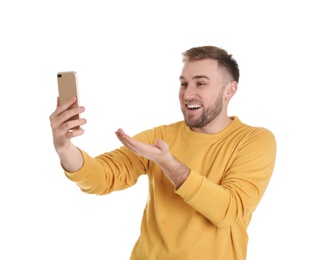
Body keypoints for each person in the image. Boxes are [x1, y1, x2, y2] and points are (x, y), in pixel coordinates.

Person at [49, 45, 277, 260]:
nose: (187, 94)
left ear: (230, 90)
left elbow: (228, 210)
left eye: (200, 83)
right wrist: (64, 148)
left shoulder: (254, 141)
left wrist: (167, 162)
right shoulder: (160, 137)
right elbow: (101, 177)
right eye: (184, 84)